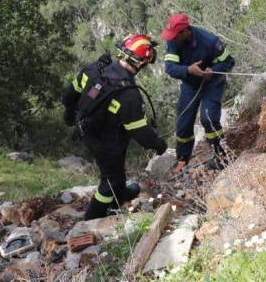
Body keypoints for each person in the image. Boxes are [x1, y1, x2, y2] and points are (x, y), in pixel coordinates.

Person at [61, 34, 168, 220]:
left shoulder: (94, 70)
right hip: (106, 140)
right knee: (111, 179)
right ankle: (93, 217)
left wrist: (70, 116)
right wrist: (159, 145)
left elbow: (70, 95)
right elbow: (141, 132)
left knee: (116, 170)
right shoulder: (129, 96)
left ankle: (120, 195)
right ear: (141, 63)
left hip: (85, 128)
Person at [161, 13, 235, 171]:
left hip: (213, 83)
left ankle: (221, 156)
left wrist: (213, 71)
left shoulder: (209, 41)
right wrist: (188, 70)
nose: (171, 38)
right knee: (183, 121)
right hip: (190, 84)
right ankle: (182, 158)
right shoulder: (173, 42)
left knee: (208, 118)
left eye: (175, 36)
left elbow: (228, 61)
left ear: (186, 32)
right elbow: (170, 68)